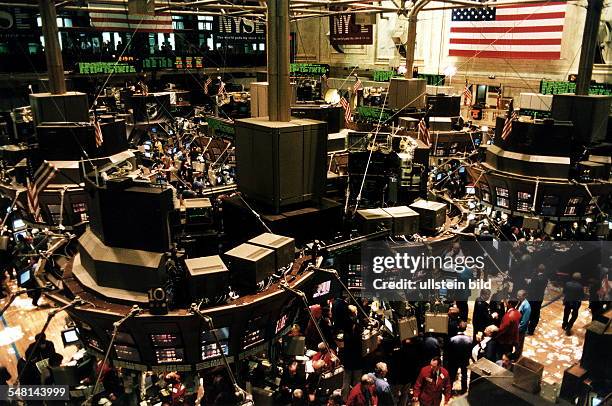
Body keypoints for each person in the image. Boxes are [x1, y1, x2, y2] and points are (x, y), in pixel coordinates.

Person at [446, 322, 472, 394]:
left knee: (452, 375)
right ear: (465, 328)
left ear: (458, 327)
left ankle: (449, 390)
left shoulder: (452, 339)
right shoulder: (469, 339)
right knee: (464, 375)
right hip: (465, 359)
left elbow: (449, 351)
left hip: (454, 359)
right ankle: (464, 391)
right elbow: (471, 350)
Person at [527, 265, 548, 335]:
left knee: (530, 312)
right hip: (539, 298)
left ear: (538, 269)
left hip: (532, 298)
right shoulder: (545, 278)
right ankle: (531, 330)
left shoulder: (535, 279)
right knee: (536, 313)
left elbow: (531, 287)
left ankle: (528, 328)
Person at [516, 290, 531, 357]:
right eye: (517, 295)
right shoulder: (520, 302)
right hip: (517, 326)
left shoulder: (527, 307)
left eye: (519, 296)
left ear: (524, 296)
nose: (517, 297)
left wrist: (518, 329)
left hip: (520, 329)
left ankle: (517, 356)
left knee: (519, 343)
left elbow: (524, 321)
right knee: (516, 342)